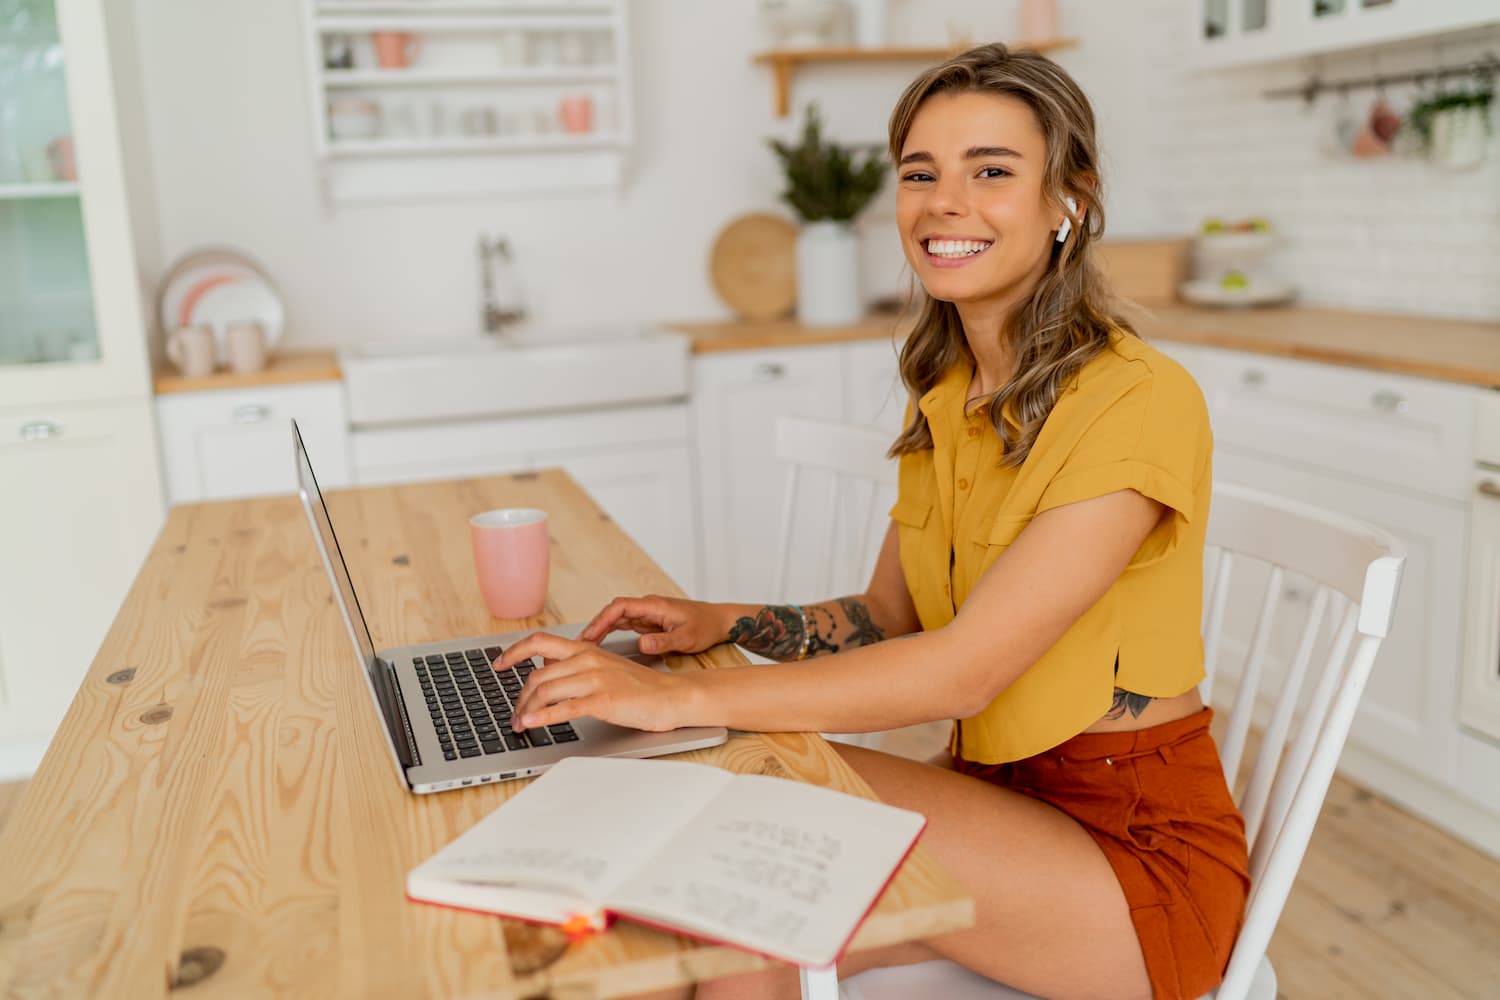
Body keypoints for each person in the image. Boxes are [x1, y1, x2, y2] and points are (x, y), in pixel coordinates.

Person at [497, 42, 1250, 1000]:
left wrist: (675, 700)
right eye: (920, 173)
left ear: (1070, 201)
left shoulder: (1139, 398)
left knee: (729, 792)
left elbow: (965, 666)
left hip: (1132, 866)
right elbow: (888, 613)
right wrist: (727, 625)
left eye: (992, 171)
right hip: (996, 802)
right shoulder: (946, 389)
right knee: (697, 918)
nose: (944, 201)